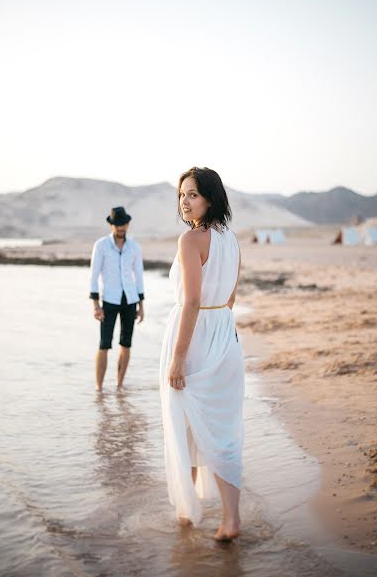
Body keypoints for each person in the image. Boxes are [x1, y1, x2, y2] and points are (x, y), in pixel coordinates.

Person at [159, 167, 244, 541]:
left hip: (193, 338)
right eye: (181, 195)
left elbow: (192, 300)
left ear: (210, 197)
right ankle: (227, 518)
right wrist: (223, 331)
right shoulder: (232, 239)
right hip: (225, 334)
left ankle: (188, 510)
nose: (185, 201)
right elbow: (229, 297)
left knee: (186, 424)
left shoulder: (191, 240)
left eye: (192, 194)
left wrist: (178, 358)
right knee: (220, 430)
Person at [90, 206, 145, 392]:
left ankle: (119, 385)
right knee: (104, 344)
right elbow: (93, 275)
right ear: (112, 225)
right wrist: (96, 305)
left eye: (124, 224)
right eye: (118, 224)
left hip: (130, 301)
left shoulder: (134, 247)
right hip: (109, 301)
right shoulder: (101, 245)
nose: (121, 228)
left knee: (126, 344)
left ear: (128, 224)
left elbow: (139, 276)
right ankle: (99, 388)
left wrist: (141, 305)